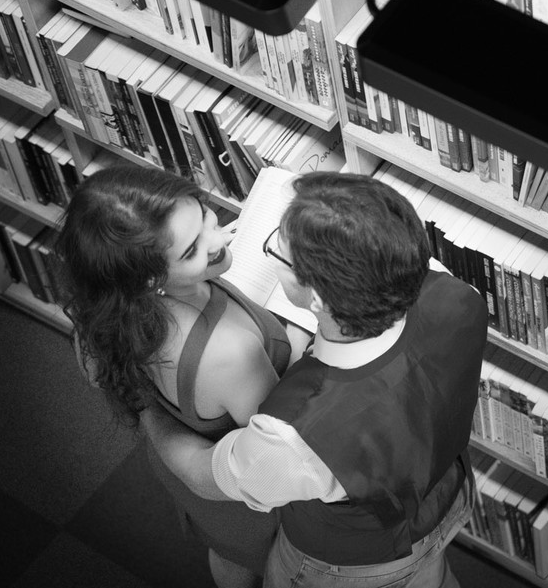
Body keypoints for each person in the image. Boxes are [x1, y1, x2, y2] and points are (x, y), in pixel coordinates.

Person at [141, 171, 490, 588]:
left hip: (354, 564)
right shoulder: (461, 295)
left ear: (320, 299)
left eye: (278, 252)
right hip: (447, 494)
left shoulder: (289, 435)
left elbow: (202, 474)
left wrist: (145, 409)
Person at [57, 165, 309, 588]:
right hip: (242, 493)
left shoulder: (108, 314)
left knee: (229, 554)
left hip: (191, 478)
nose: (222, 238)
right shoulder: (231, 353)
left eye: (206, 216)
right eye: (192, 250)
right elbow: (282, 435)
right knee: (263, 562)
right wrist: (304, 332)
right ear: (153, 278)